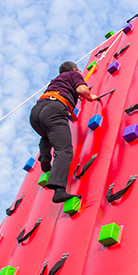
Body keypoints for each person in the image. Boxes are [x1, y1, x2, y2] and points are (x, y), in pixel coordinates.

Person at [30, 61, 99, 203]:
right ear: (75, 69)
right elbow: (81, 90)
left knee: (47, 132)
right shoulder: (74, 74)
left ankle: (44, 157)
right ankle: (59, 190)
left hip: (36, 112)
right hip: (55, 108)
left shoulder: (55, 81)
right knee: (64, 150)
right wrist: (90, 96)